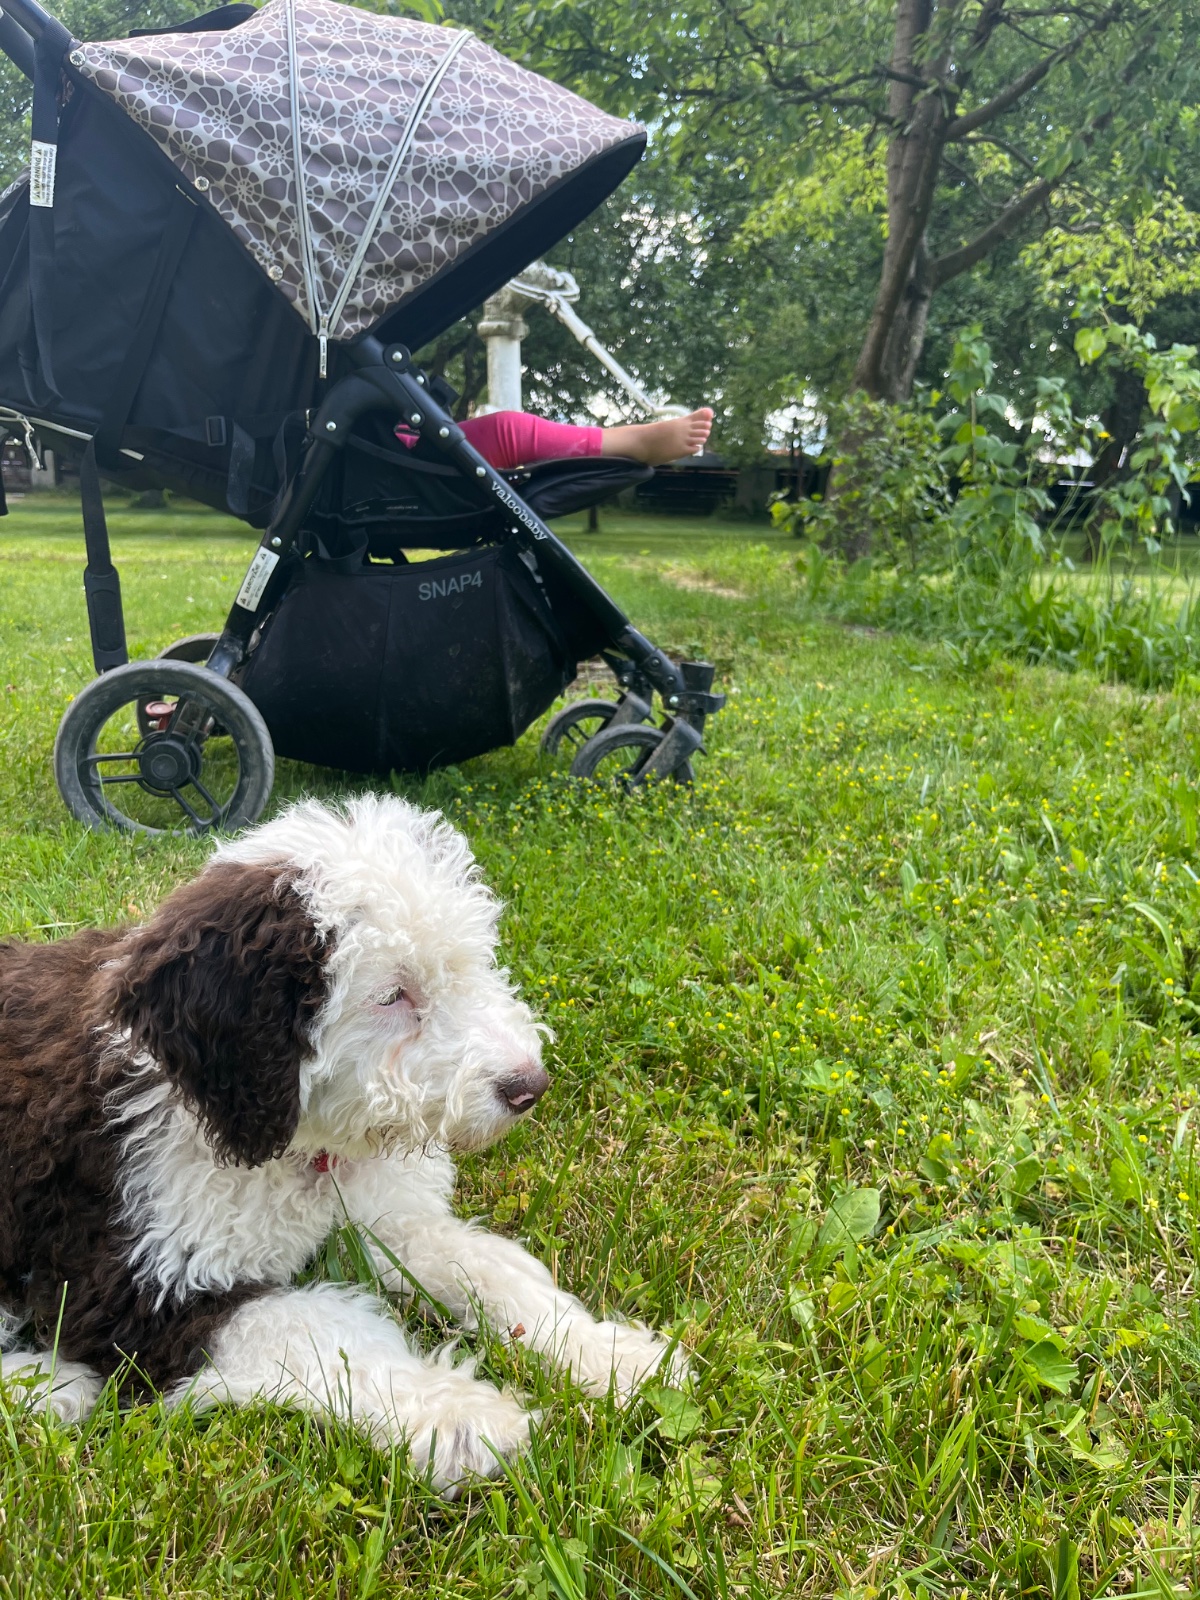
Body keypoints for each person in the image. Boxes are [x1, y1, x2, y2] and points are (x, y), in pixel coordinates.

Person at [398, 407, 714, 470]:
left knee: (508, 429)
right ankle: (635, 443)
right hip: (401, 460)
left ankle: (634, 440)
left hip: (397, 450)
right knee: (507, 431)